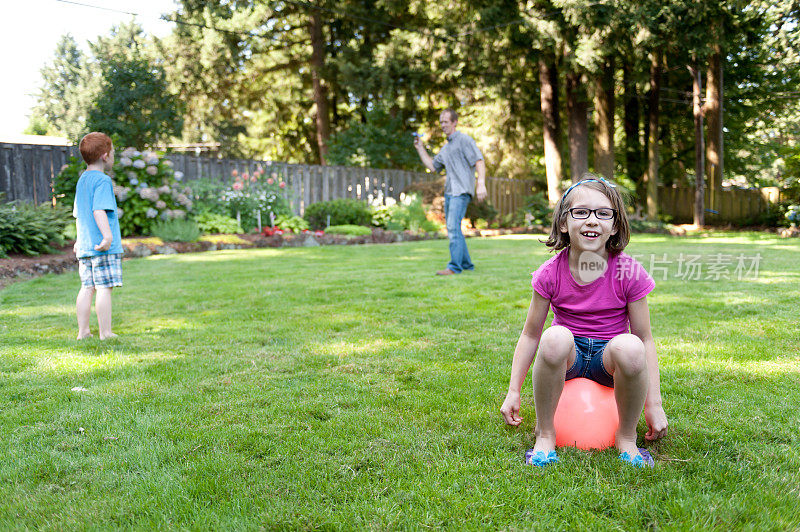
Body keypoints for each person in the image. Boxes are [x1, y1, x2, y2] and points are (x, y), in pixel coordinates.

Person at [499, 175, 668, 467]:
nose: (592, 220)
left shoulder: (629, 271)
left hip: (608, 362)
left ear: (614, 225)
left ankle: (626, 439)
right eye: (581, 212)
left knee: (630, 346)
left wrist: (654, 405)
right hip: (569, 359)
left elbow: (644, 339)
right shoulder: (550, 273)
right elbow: (530, 335)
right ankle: (546, 436)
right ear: (564, 222)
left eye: (603, 213)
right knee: (554, 338)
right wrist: (513, 390)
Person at [414, 109, 487, 275]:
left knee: (453, 228)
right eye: (441, 122)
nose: (443, 125)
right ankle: (467, 264)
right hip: (450, 192)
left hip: (461, 191)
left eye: (446, 121)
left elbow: (479, 160)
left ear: (455, 122)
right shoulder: (446, 149)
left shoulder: (464, 140)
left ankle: (454, 267)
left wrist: (481, 183)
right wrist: (420, 148)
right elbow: (433, 166)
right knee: (453, 228)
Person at [73, 132, 123, 340]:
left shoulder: (82, 180)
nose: (112, 156)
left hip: (85, 245)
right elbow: (98, 210)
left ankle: (83, 331)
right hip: (101, 246)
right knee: (104, 288)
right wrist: (107, 237)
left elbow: (79, 213)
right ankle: (106, 332)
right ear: (105, 155)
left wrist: (78, 240)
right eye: (112, 152)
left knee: (87, 287)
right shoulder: (102, 181)